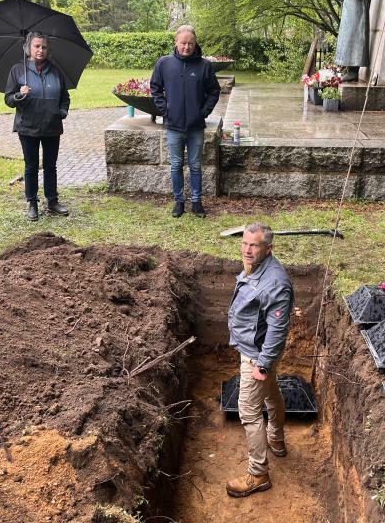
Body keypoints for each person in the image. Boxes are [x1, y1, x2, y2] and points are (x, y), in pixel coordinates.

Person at [226, 222, 294, 498]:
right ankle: (276, 438)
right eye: (244, 243)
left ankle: (258, 473)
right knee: (270, 393)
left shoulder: (275, 282)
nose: (247, 250)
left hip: (257, 354)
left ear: (269, 248)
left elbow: (278, 328)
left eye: (254, 245)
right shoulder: (257, 267)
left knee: (249, 410)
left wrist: (263, 364)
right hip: (257, 349)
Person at [150, 25, 220, 218]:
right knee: (176, 165)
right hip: (173, 126)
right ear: (176, 42)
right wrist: (165, 110)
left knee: (196, 165)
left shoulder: (204, 66)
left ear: (195, 43)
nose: (186, 47)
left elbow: (214, 91)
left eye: (190, 43)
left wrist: (203, 112)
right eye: (183, 43)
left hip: (196, 126)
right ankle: (179, 202)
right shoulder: (164, 64)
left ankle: (197, 202)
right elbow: (155, 88)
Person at [4, 31, 71, 221]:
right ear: (28, 48)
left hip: (52, 126)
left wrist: (62, 112)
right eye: (36, 46)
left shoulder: (56, 71)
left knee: (51, 166)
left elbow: (65, 98)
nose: (40, 50)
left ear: (48, 49)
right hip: (28, 127)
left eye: (43, 47)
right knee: (31, 166)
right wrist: (19, 95)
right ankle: (32, 203)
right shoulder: (18, 70)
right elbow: (8, 99)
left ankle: (52, 201)